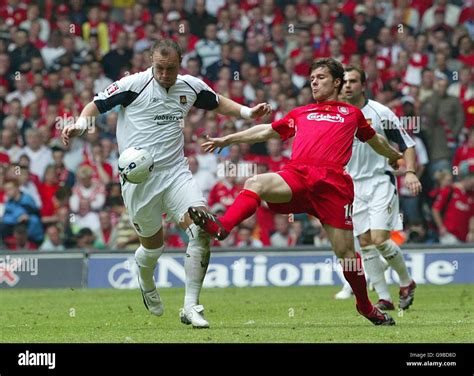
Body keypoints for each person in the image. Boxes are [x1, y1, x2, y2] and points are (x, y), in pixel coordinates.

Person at [61, 39, 271, 328]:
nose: (164, 74)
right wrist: (80, 126)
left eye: (170, 68)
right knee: (152, 248)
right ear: (151, 63)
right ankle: (146, 279)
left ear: (179, 64)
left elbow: (217, 101)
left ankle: (190, 307)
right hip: (139, 181)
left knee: (200, 229)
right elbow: (94, 106)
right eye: (159, 68)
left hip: (175, 173)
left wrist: (248, 113)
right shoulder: (132, 85)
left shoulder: (190, 86)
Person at [188, 58, 401, 325]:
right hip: (298, 174)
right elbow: (268, 131)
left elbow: (375, 140)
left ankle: (365, 305)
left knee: (346, 256)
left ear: (337, 82)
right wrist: (229, 139)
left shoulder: (352, 114)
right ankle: (223, 227)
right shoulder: (301, 113)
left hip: (333, 185)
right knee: (255, 183)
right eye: (312, 78)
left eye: (321, 77)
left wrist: (394, 155)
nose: (314, 82)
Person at [334, 66, 421, 310]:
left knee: (380, 239)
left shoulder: (381, 112)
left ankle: (406, 282)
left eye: (353, 81)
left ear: (363, 85)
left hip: (379, 180)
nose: (348, 85)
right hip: (352, 187)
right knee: (365, 243)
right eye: (345, 82)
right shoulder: (337, 114)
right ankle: (384, 298)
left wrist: (411, 173)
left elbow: (407, 143)